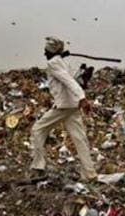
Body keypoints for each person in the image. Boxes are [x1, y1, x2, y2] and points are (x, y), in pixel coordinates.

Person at [29, 37, 97, 181]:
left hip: (64, 106)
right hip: (73, 106)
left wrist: (82, 98)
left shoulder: (53, 63)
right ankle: (90, 174)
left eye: (46, 51)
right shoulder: (63, 61)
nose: (44, 53)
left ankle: (38, 167)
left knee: (37, 130)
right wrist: (81, 95)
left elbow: (68, 80)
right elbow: (73, 79)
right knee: (79, 139)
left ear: (51, 52)